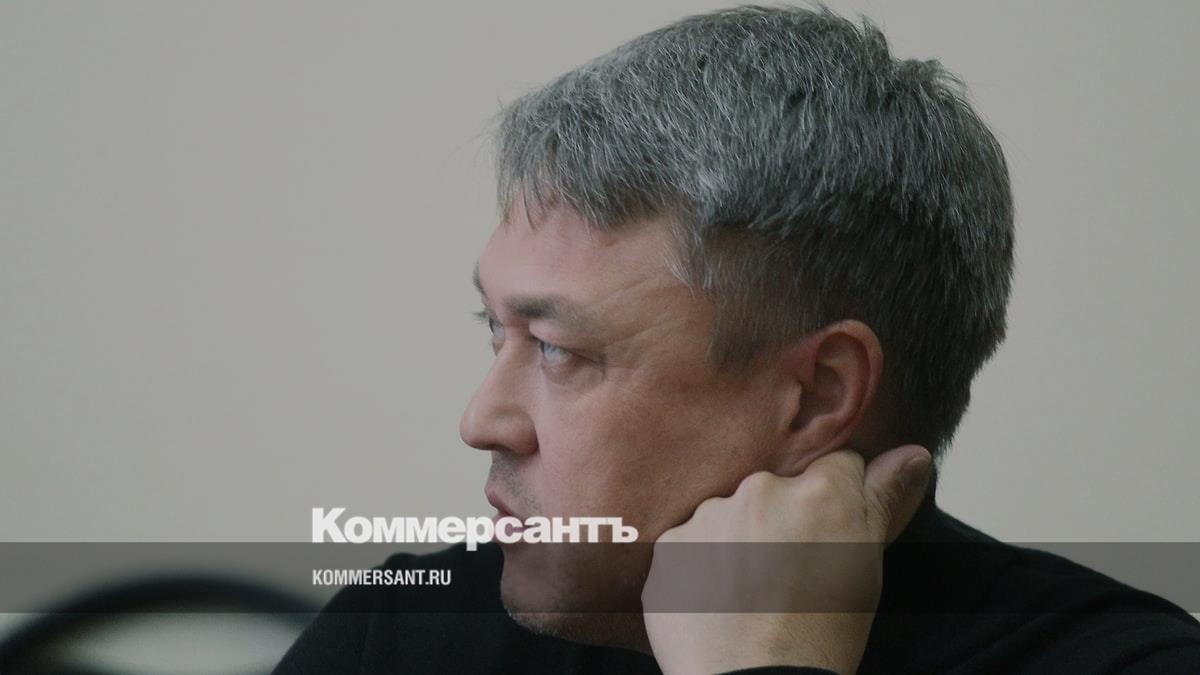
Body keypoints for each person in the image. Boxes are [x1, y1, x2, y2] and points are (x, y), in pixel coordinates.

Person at [274, 5, 1200, 673]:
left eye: (559, 350)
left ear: (818, 396)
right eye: (496, 329)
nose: (482, 420)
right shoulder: (402, 636)